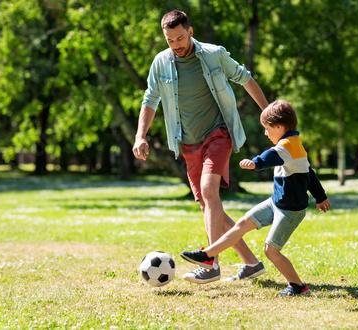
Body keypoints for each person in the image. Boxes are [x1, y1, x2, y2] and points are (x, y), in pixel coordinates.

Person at [132, 10, 269, 284]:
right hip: (187, 141)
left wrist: (268, 117)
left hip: (217, 133)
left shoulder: (213, 54)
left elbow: (245, 78)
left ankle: (210, 263)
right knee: (208, 205)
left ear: (190, 32)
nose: (176, 45)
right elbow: (150, 99)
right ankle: (251, 263)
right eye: (170, 40)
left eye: (180, 38)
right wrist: (140, 136)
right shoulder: (160, 63)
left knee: (209, 192)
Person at [180, 100, 331, 296]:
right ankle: (208, 256)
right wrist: (321, 197)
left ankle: (297, 286)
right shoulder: (294, 144)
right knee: (242, 223)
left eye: (267, 129)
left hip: (290, 210)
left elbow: (271, 157)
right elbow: (309, 174)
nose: (266, 133)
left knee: (271, 251)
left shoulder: (287, 146)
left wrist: (254, 163)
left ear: (279, 126)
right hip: (276, 203)